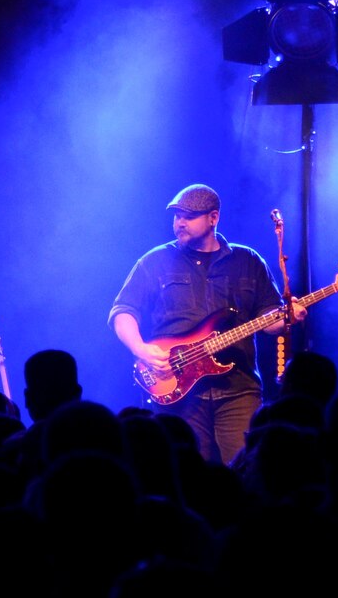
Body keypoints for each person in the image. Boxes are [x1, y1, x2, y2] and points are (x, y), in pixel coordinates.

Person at [109, 183, 304, 466]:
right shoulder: (155, 261)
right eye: (177, 216)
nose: (180, 223)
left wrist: (287, 318)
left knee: (246, 469)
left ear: (213, 218)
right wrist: (140, 348)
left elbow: (268, 320)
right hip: (177, 389)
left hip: (238, 388)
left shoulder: (247, 261)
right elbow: (123, 311)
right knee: (184, 473)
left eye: (189, 216)